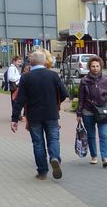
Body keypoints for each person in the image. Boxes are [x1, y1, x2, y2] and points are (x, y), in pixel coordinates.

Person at [11, 50, 68, 180]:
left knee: (38, 143)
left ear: (30, 62)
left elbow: (19, 100)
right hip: (51, 114)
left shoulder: (26, 77)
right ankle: (54, 158)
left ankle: (42, 172)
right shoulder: (53, 75)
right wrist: (55, 103)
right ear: (45, 62)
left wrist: (15, 119)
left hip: (34, 115)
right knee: (53, 139)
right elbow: (64, 93)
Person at [76, 55, 107, 167]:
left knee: (103, 135)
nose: (95, 68)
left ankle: (105, 158)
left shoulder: (106, 81)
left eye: (97, 66)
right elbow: (80, 98)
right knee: (91, 135)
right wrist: (79, 113)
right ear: (89, 67)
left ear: (101, 67)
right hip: (88, 111)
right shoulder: (84, 81)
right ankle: (94, 156)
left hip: (102, 111)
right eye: (93, 66)